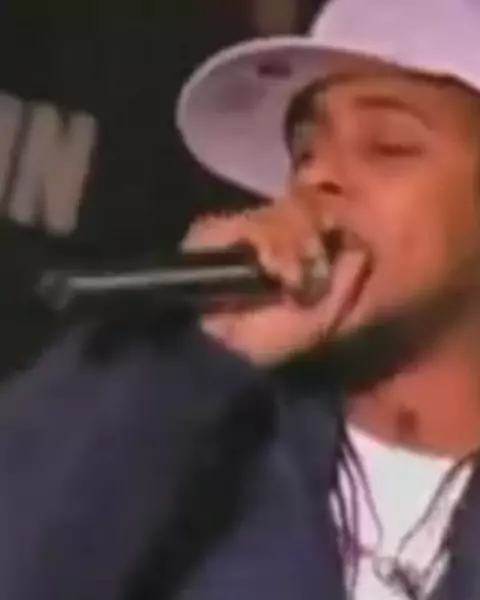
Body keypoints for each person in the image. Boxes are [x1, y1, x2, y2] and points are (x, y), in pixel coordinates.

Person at [4, 0, 480, 599]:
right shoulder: (193, 419)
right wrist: (193, 361)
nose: (316, 176)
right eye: (304, 150)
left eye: (388, 144)